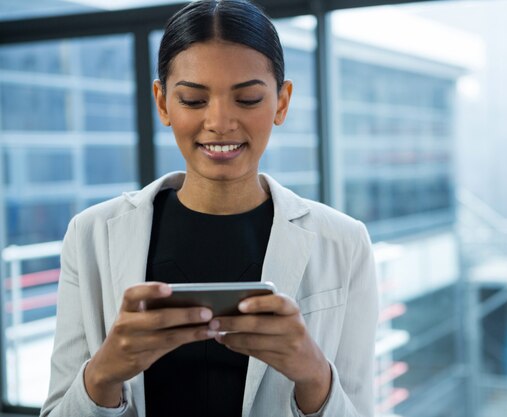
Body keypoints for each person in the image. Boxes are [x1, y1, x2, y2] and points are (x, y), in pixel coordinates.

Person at [40, 1, 378, 416]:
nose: (220, 122)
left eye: (249, 99)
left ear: (282, 102)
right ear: (162, 103)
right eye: (194, 101)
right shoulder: (90, 235)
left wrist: (313, 375)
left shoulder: (344, 241)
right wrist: (103, 375)